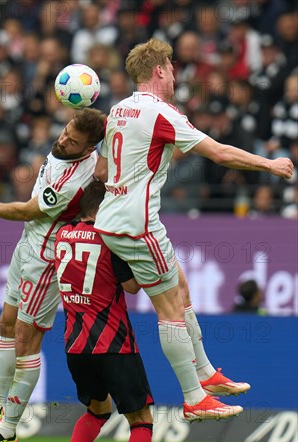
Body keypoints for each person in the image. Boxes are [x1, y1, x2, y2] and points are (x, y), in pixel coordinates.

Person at [94, 38, 293, 419]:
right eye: (171, 67)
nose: (174, 74)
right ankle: (192, 398)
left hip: (114, 220)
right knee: (169, 309)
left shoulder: (117, 110)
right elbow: (218, 153)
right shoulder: (160, 112)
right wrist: (269, 165)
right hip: (138, 225)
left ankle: (205, 373)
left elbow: (103, 170)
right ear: (159, 70)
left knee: (180, 285)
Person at [0, 108, 107, 442]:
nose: (64, 139)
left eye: (74, 141)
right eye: (66, 131)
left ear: (87, 150)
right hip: (28, 245)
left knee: (26, 336)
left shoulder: (75, 178)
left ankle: (7, 431)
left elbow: (28, 210)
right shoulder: (67, 147)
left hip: (47, 256)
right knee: (6, 321)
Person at [55, 181, 154, 442]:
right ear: (104, 208)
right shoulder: (110, 239)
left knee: (98, 408)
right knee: (141, 419)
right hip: (114, 343)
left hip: (75, 345)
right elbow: (133, 286)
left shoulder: (62, 236)